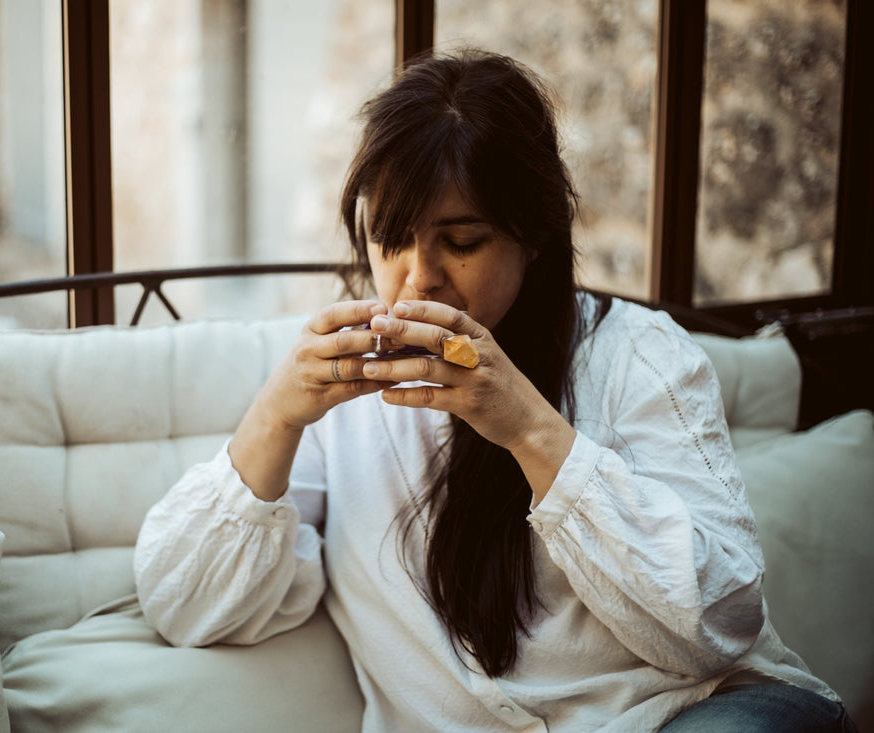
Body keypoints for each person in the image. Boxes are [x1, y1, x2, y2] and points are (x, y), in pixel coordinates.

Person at [133, 49, 854, 732]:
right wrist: (275, 416)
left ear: (532, 235)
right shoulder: (339, 400)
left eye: (462, 241)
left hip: (693, 713)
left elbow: (718, 629)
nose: (420, 279)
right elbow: (181, 604)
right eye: (392, 239)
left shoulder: (639, 354)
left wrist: (530, 430)